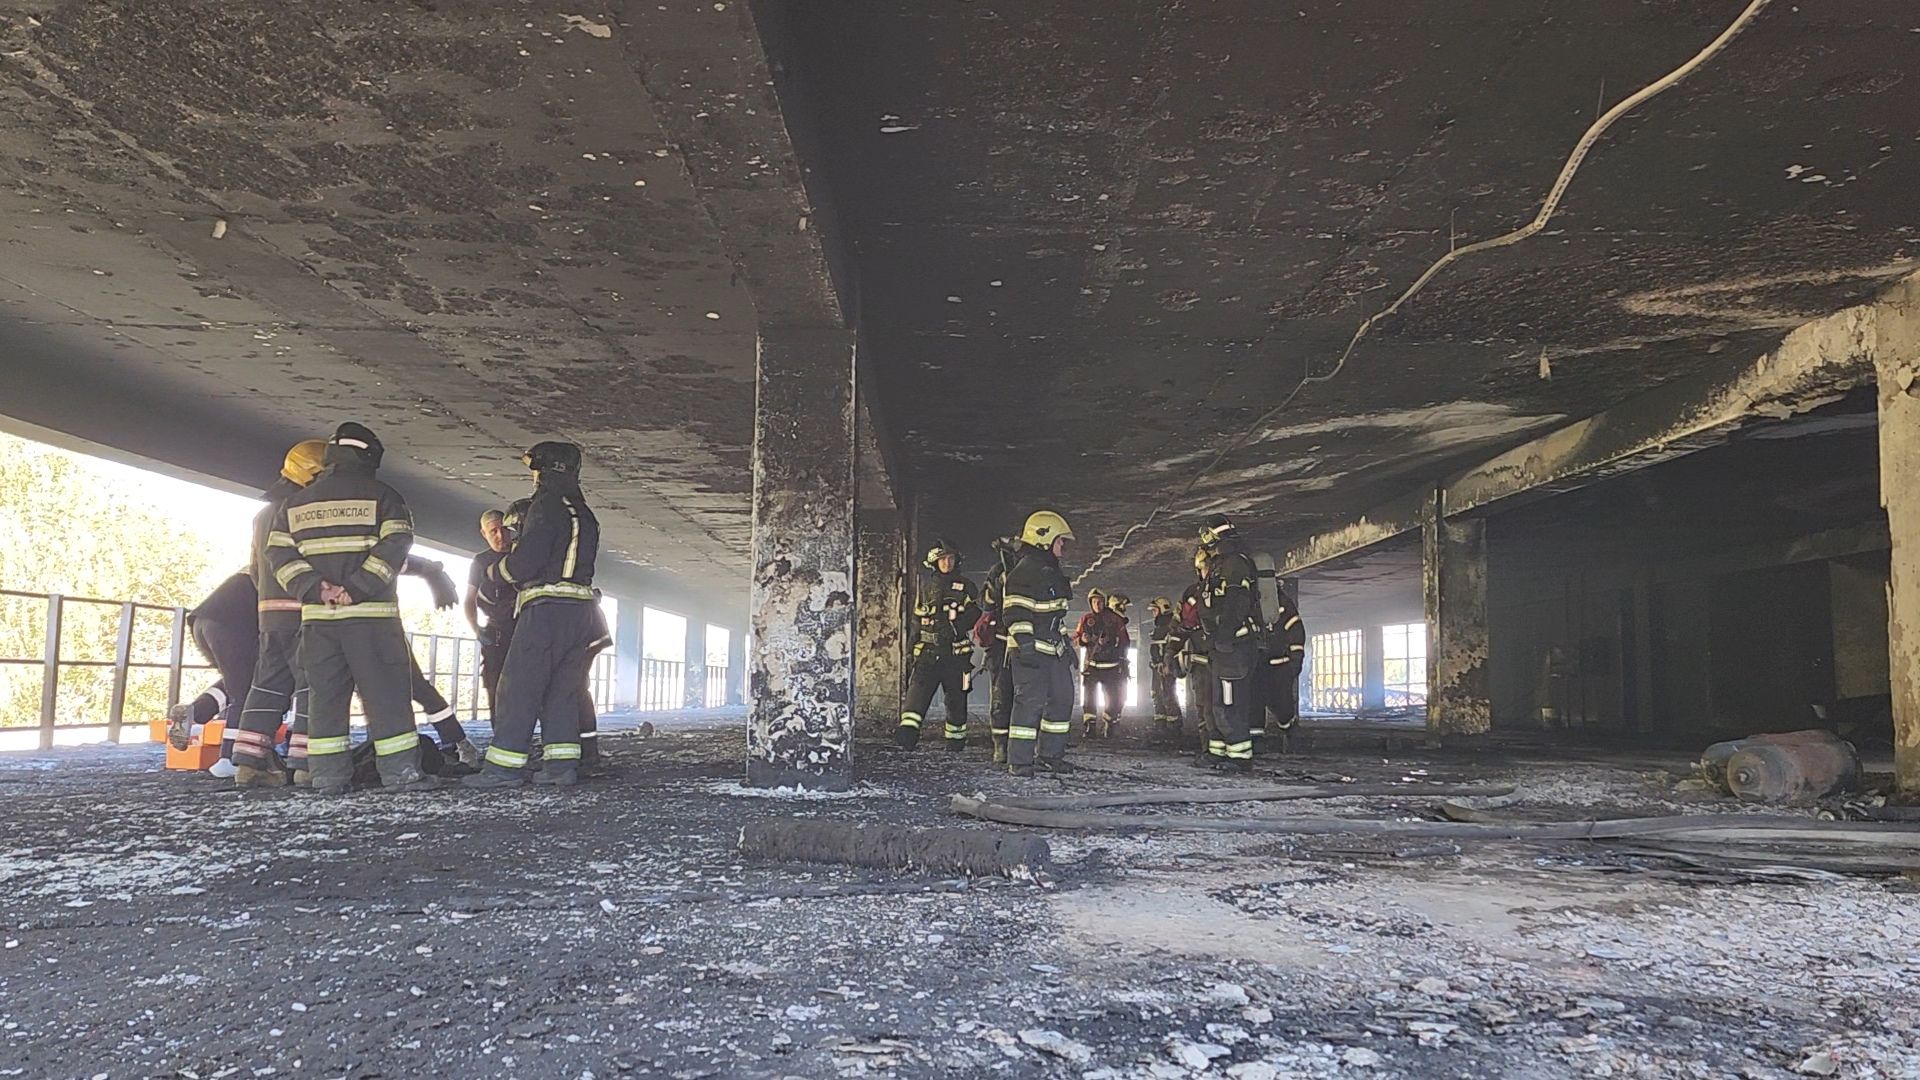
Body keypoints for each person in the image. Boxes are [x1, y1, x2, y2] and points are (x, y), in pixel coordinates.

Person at [266, 423, 433, 795]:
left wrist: (315, 588)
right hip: (371, 620)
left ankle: (327, 776)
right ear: (369, 455)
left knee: (325, 699)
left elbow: (278, 555)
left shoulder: (293, 505)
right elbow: (396, 545)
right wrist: (357, 588)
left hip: (319, 622)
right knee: (387, 697)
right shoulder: (385, 497)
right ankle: (401, 773)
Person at [466, 441, 601, 790]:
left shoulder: (546, 507)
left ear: (546, 471)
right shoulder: (584, 513)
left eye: (535, 469)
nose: (533, 476)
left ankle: (503, 769)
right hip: (580, 613)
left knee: (517, 687)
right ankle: (560, 767)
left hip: (545, 611)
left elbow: (527, 561)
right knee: (562, 691)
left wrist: (497, 573)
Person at [229, 439, 327, 788]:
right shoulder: (306, 509)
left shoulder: (263, 515)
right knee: (311, 688)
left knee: (267, 686)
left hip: (269, 616)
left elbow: (255, 569)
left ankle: (248, 763)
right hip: (305, 611)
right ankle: (305, 765)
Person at [1003, 510, 1077, 777]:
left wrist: (1067, 646)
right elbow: (1014, 613)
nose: (1063, 548)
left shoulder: (1050, 573)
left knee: (1062, 698)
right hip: (1031, 653)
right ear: (1043, 539)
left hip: (1053, 652)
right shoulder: (1023, 573)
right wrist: (1025, 647)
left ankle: (1050, 755)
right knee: (1029, 704)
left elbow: (1056, 616)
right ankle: (1020, 762)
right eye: (1060, 542)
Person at [166, 570, 260, 777]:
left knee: (239, 678)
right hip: (232, 622)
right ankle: (229, 758)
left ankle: (194, 714)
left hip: (202, 620)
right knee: (244, 693)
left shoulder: (261, 562)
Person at [895, 539, 980, 752]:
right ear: (934, 563)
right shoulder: (925, 587)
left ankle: (955, 740)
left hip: (956, 657)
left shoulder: (967, 587)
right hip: (928, 654)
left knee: (957, 698)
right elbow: (917, 619)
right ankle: (907, 735)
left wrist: (956, 627)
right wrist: (911, 648)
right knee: (917, 694)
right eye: (942, 559)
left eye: (950, 559)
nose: (947, 563)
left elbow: (974, 614)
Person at [1197, 514, 1259, 772]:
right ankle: (1218, 752)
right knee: (1217, 703)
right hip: (1220, 647)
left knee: (1229, 703)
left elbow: (1236, 602)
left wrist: (1224, 635)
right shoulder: (1222, 564)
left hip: (1233, 647)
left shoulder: (1235, 563)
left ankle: (1239, 757)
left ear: (1211, 535)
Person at [972, 535, 1019, 763]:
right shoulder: (998, 572)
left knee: (1027, 698)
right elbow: (986, 604)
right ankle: (1000, 746)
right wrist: (997, 586)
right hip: (1001, 646)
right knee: (1001, 697)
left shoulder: (1033, 572)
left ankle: (1024, 747)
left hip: (1025, 645)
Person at [463, 509, 514, 715]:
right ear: (484, 534)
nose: (500, 536)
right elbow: (469, 600)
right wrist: (476, 630)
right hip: (496, 633)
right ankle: (500, 734)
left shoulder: (523, 555)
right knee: (495, 685)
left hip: (525, 629)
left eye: (503, 529)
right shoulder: (481, 562)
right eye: (493, 531)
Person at [1172, 551, 1215, 757]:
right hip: (1204, 665)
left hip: (1231, 663)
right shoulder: (1193, 595)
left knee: (1229, 709)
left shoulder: (1234, 590)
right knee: (1206, 709)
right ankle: (1210, 749)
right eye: (1207, 567)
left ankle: (1230, 751)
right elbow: (1181, 627)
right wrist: (1170, 654)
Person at [1073, 588, 1129, 738]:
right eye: (1094, 601)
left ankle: (1109, 726)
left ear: (1105, 603)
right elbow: (1075, 639)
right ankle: (1089, 727)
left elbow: (1125, 641)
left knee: (1112, 699)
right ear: (1090, 603)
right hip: (1092, 667)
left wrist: (1113, 646)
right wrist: (1082, 640)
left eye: (1100, 601)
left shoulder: (1115, 619)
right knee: (1089, 698)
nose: (1097, 604)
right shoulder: (1085, 619)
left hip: (1111, 667)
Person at [1258, 588, 1308, 753]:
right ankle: (1256, 745)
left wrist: (1294, 663)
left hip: (1278, 667)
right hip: (1255, 666)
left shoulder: (1282, 603)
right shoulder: (1244, 599)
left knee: (1283, 707)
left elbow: (1295, 631)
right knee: (1253, 708)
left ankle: (1292, 740)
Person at [1147, 596, 1184, 741]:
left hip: (1166, 667)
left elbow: (1171, 648)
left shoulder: (1169, 627)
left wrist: (1166, 664)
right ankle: (1160, 724)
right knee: (1156, 693)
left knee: (1168, 693)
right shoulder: (1159, 628)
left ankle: (1174, 726)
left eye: (1155, 610)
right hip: (1157, 667)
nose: (1153, 613)